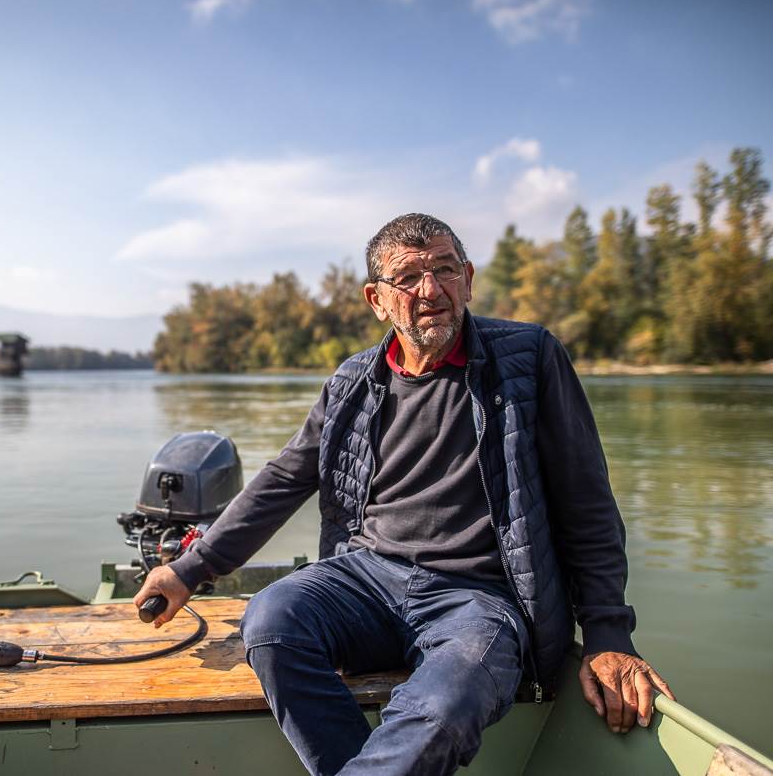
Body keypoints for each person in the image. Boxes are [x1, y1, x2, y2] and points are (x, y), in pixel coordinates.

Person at [134, 213, 675, 775]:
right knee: (271, 620)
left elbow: (587, 501)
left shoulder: (529, 359)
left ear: (467, 277)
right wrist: (189, 569)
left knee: (444, 706)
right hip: (366, 578)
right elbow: (285, 478)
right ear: (377, 299)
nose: (431, 290)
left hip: (478, 599)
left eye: (445, 270)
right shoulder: (352, 383)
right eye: (409, 277)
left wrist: (609, 632)